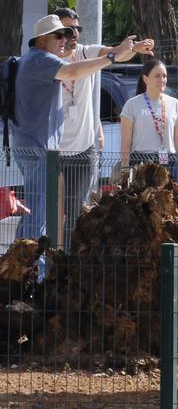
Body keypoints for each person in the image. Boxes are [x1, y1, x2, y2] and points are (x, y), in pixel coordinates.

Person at [13, 16, 134, 245]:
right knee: (38, 213)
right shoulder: (42, 60)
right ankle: (23, 272)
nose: (64, 39)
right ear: (40, 40)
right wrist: (111, 56)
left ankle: (29, 268)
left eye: (68, 34)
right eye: (58, 35)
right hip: (37, 149)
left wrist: (121, 51)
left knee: (41, 212)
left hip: (38, 149)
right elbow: (73, 72)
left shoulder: (37, 59)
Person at [50, 8, 153, 240]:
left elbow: (115, 54)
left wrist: (133, 49)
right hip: (54, 152)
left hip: (84, 151)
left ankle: (71, 265)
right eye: (68, 29)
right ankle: (52, 267)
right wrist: (118, 53)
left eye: (77, 28)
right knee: (55, 215)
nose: (74, 33)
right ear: (56, 32)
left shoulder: (87, 53)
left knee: (78, 213)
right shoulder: (48, 60)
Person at [116, 58, 178, 182]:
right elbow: (126, 142)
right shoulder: (132, 104)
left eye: (164, 76)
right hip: (141, 163)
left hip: (167, 163)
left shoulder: (174, 103)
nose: (162, 80)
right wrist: (125, 169)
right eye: (157, 76)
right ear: (145, 79)